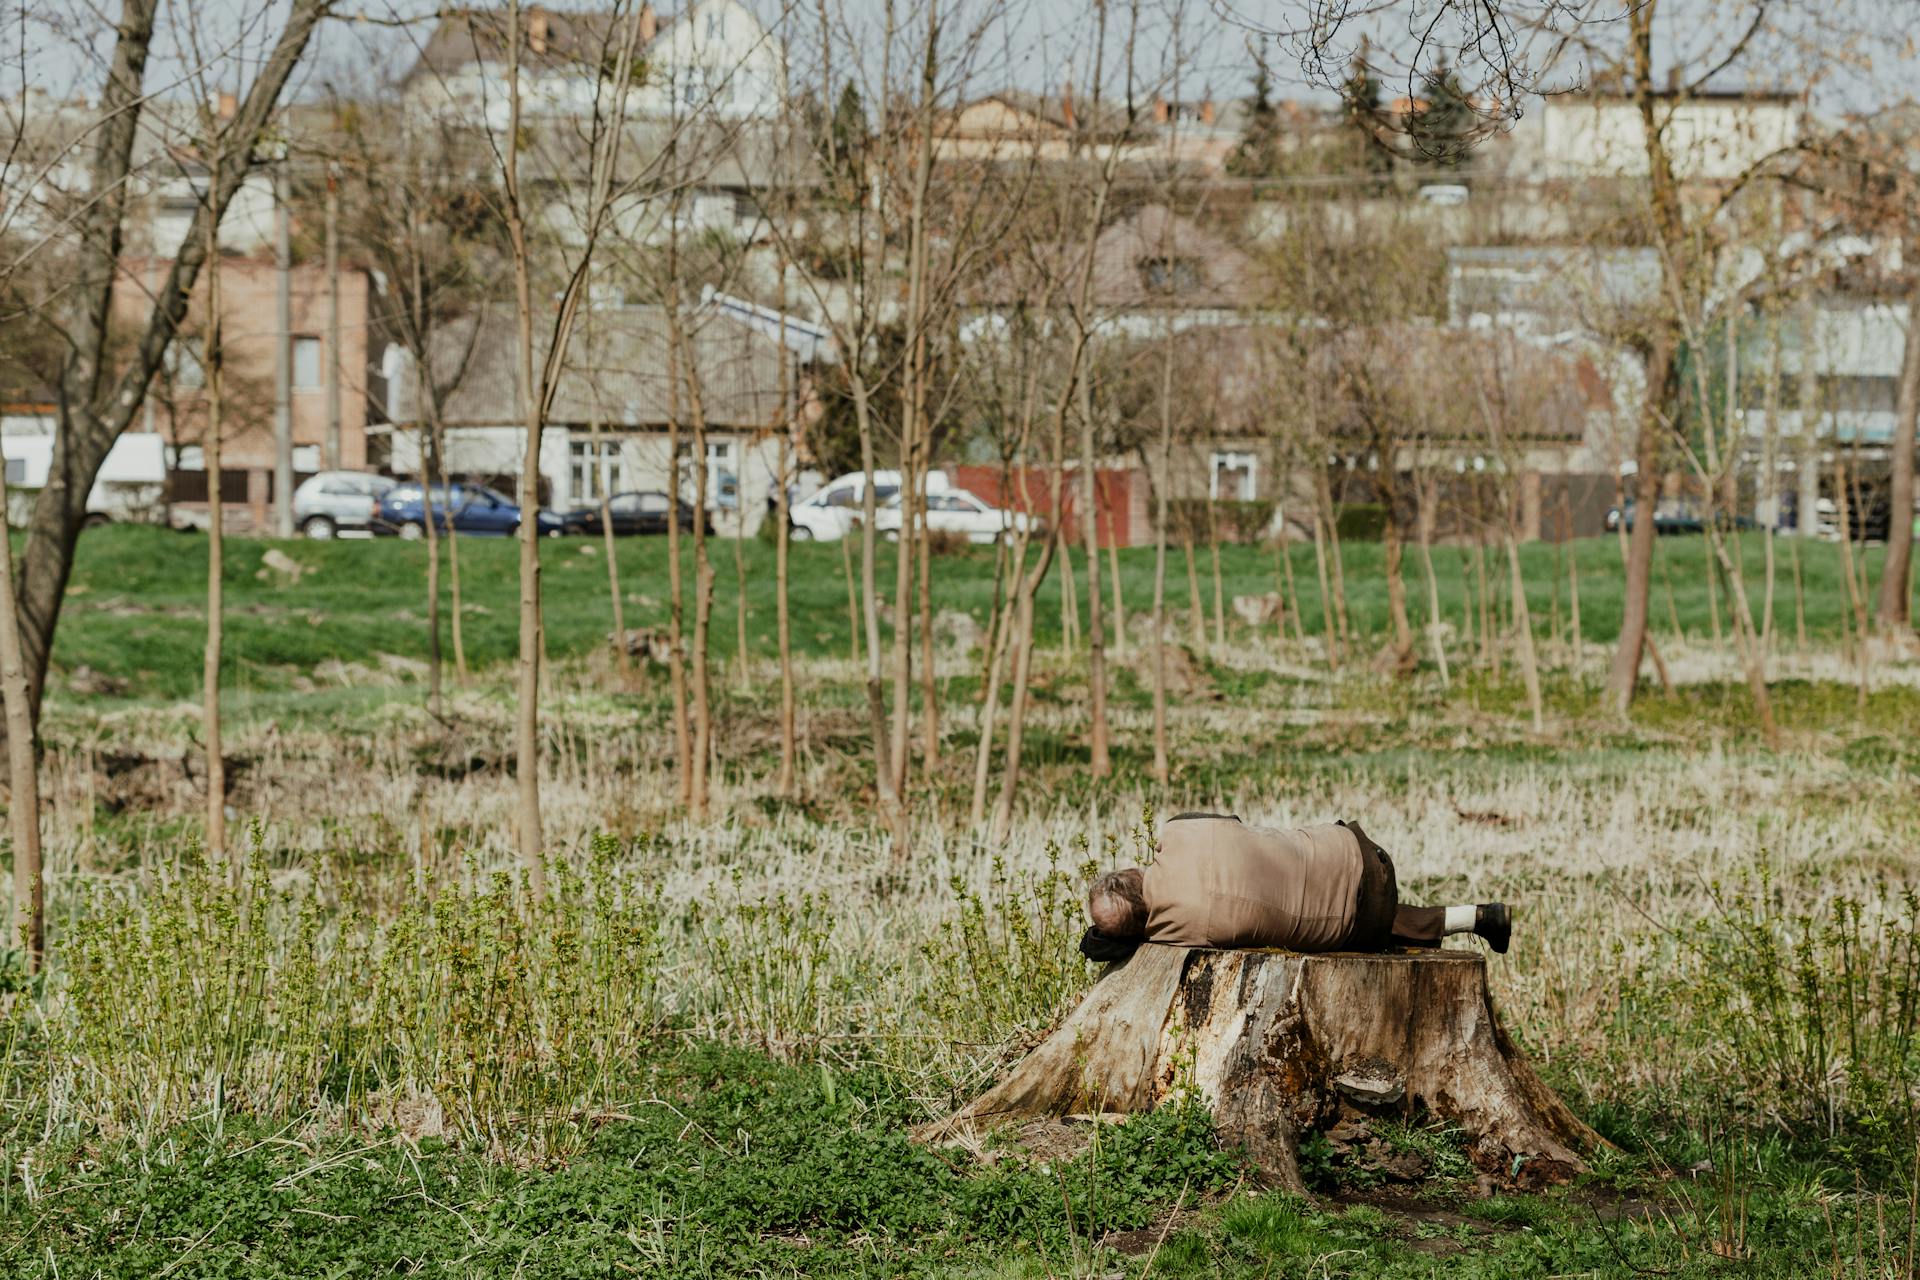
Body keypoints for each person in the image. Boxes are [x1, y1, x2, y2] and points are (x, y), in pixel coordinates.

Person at [1080, 813, 1509, 961]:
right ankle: (1480, 917)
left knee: (1344, 917)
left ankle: (1479, 918)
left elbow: (1098, 947)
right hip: (1353, 848)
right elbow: (1231, 823)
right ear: (1133, 872)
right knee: (1321, 885)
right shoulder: (1180, 832)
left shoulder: (1176, 936)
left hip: (1357, 924)